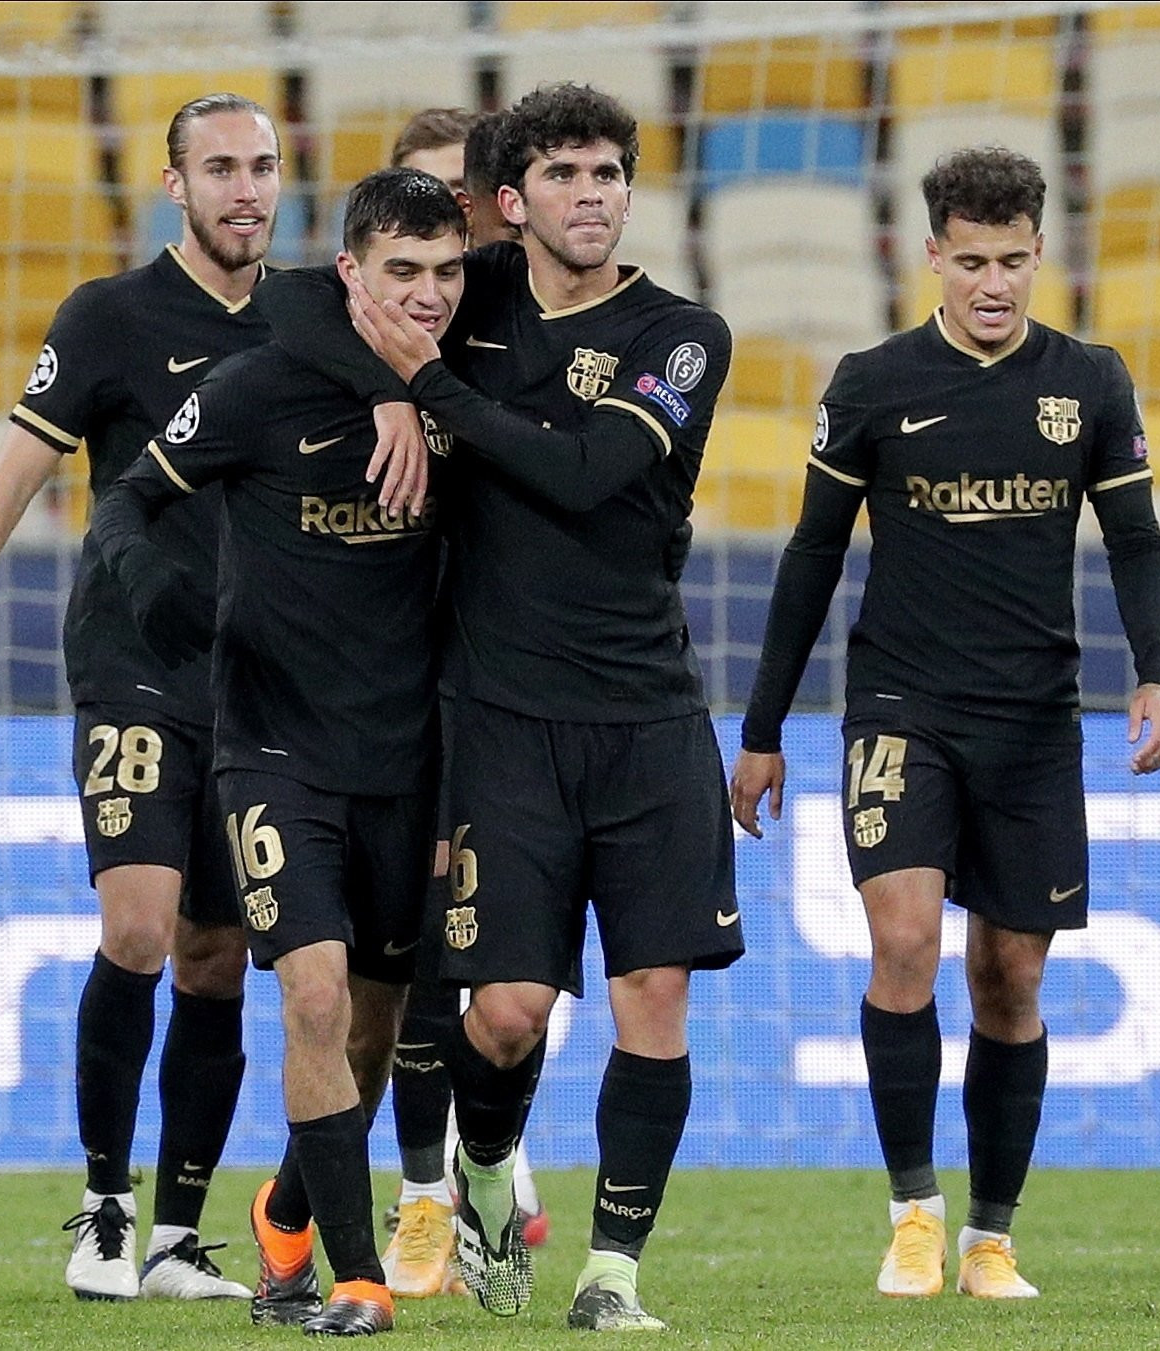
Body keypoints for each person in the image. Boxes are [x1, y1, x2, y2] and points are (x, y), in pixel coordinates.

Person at [0, 92, 424, 1303]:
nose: (245, 189)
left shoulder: (322, 315)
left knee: (220, 959)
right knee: (139, 926)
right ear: (174, 186)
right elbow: (14, 480)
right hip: (134, 663)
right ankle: (104, 1211)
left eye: (263, 167)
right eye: (218, 168)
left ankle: (175, 1235)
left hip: (266, 688)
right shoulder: (111, 318)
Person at [255, 82, 742, 1332]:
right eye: (568, 176)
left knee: (653, 1000)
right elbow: (298, 294)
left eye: (611, 174)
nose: (595, 195)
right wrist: (381, 386)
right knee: (506, 1014)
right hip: (500, 719)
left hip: (646, 712)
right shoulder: (469, 301)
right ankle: (477, 1169)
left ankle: (610, 1275)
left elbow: (587, 474)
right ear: (511, 202)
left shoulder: (681, 334)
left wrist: (427, 384)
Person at [730, 146, 1160, 1301]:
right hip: (899, 707)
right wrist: (764, 725)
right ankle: (912, 1215)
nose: (992, 282)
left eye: (1012, 260)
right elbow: (812, 554)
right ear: (929, 254)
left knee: (1008, 982)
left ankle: (991, 1234)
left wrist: (1158, 672)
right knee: (902, 944)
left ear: (1040, 255)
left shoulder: (1089, 381)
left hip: (1032, 720)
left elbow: (1134, 541)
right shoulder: (872, 382)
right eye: (970, 260)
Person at [91, 165, 467, 1336]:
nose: (427, 296)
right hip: (271, 748)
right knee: (310, 1000)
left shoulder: (470, 395)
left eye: (446, 273)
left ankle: (287, 1216)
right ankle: (356, 1284)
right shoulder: (253, 389)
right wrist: (158, 597)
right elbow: (123, 502)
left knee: (373, 1025)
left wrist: (412, 389)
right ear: (350, 271)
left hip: (413, 758)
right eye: (399, 271)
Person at [378, 104, 548, 1306]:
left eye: (457, 205)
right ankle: (421, 1194)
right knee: (406, 954)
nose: (442, 240)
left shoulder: (528, 335)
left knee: (487, 959)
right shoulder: (356, 332)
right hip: (386, 678)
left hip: (504, 675)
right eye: (415, 204)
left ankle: (466, 1173)